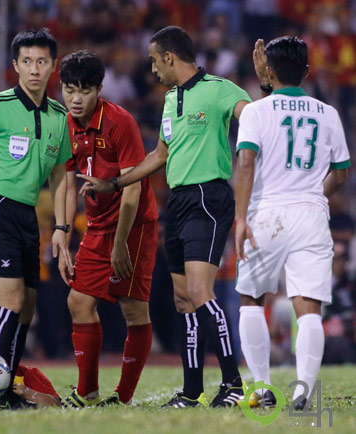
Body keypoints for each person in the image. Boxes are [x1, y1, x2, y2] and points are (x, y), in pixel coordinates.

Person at [79, 26, 251, 408]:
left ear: (170, 57)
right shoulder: (171, 99)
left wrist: (268, 93)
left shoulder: (221, 89)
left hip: (209, 195)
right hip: (179, 200)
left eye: (155, 61)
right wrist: (114, 183)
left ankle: (234, 384)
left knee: (200, 292)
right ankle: (192, 392)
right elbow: (160, 155)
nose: (152, 69)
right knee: (182, 300)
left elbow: (255, 120)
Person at [234, 36, 351, 410]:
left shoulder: (255, 111)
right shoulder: (328, 113)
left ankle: (263, 388)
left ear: (268, 70)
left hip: (266, 212)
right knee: (309, 307)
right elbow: (342, 172)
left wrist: (240, 218)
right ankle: (304, 392)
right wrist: (316, 191)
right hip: (311, 213)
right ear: (306, 71)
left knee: (251, 298)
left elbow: (247, 163)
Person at [0, 28, 73, 409]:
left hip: (27, 216)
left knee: (27, 307)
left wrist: (60, 227)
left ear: (53, 66)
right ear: (15, 66)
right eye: (27, 62)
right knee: (11, 299)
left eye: (42, 61)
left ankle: (4, 386)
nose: (34, 69)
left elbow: (60, 176)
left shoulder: (59, 116)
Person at [59, 50, 158, 408]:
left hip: (133, 226)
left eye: (84, 90)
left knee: (133, 309)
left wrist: (120, 245)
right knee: (78, 302)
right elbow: (68, 184)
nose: (75, 98)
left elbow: (133, 186)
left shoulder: (120, 122)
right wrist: (64, 234)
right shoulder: (66, 123)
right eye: (69, 89)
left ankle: (124, 396)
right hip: (98, 225)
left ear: (99, 89)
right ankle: (87, 391)